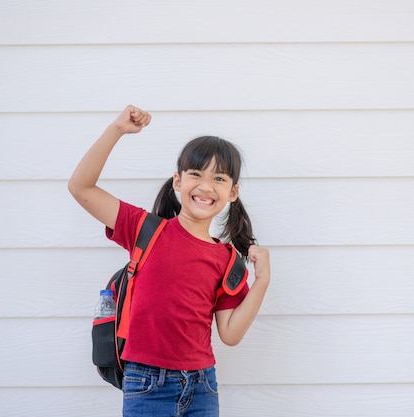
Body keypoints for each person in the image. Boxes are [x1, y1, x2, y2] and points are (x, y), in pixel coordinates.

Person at [68, 105, 270, 416]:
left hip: (203, 386)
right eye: (195, 174)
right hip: (146, 384)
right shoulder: (145, 229)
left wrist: (262, 281)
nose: (205, 186)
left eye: (219, 178)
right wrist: (117, 129)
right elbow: (80, 187)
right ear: (177, 181)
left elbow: (230, 334)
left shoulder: (227, 260)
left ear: (233, 192)